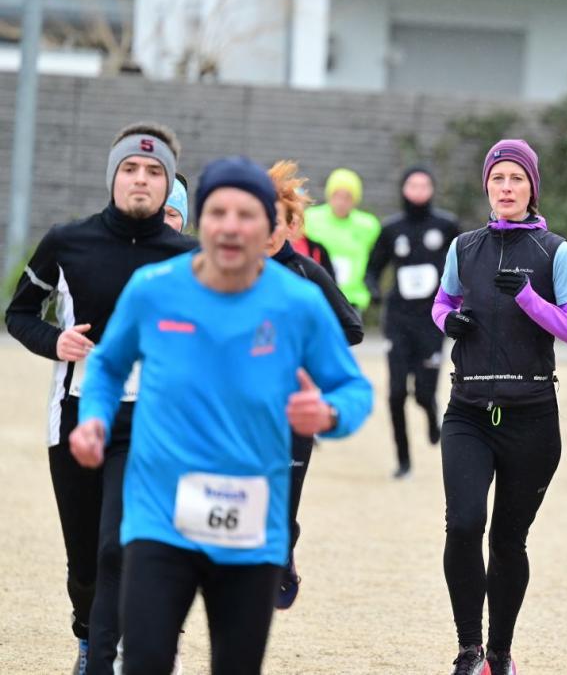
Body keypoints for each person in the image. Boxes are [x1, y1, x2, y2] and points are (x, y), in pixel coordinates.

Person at [69, 156, 373, 675]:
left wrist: (328, 413)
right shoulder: (154, 288)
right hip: (160, 518)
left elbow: (354, 390)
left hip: (250, 527)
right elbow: (107, 366)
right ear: (200, 220)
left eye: (246, 214)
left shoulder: (298, 302)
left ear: (269, 226)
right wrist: (94, 417)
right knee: (145, 662)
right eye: (218, 212)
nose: (231, 226)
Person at [4, 122, 195, 675]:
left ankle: (109, 660)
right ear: (113, 176)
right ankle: (88, 635)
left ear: (167, 185)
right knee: (86, 560)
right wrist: (56, 341)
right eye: (130, 168)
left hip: (150, 420)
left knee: (119, 546)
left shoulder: (189, 257)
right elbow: (19, 314)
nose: (141, 179)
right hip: (75, 413)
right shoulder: (67, 241)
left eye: (154, 171)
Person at [432, 139, 567, 675]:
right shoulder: (464, 248)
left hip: (531, 417)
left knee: (507, 541)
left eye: (516, 178)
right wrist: (448, 321)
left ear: (532, 188)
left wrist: (529, 299)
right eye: (497, 178)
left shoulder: (555, 252)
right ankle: (468, 651)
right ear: (486, 186)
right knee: (463, 525)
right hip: (469, 410)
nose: (506, 188)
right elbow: (442, 302)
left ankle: (499, 654)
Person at [265, 160, 365, 610]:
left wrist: (306, 352)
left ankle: (282, 550)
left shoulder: (307, 274)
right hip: (242, 408)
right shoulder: (230, 272)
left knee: (283, 504)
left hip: (294, 409)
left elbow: (352, 328)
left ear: (292, 225)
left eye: (277, 221)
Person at [365, 166, 460, 479]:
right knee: (395, 393)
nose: (418, 191)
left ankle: (431, 411)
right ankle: (403, 460)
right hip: (399, 319)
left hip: (432, 319)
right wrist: (373, 289)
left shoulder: (446, 226)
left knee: (422, 392)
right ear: (403, 189)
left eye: (424, 185)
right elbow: (373, 269)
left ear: (432, 189)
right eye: (412, 185)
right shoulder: (391, 228)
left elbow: (464, 265)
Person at [304, 168, 381, 313]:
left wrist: (372, 287)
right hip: (319, 295)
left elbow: (376, 260)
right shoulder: (310, 219)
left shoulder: (368, 226)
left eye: (347, 197)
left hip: (351, 300)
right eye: (337, 195)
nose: (341, 202)